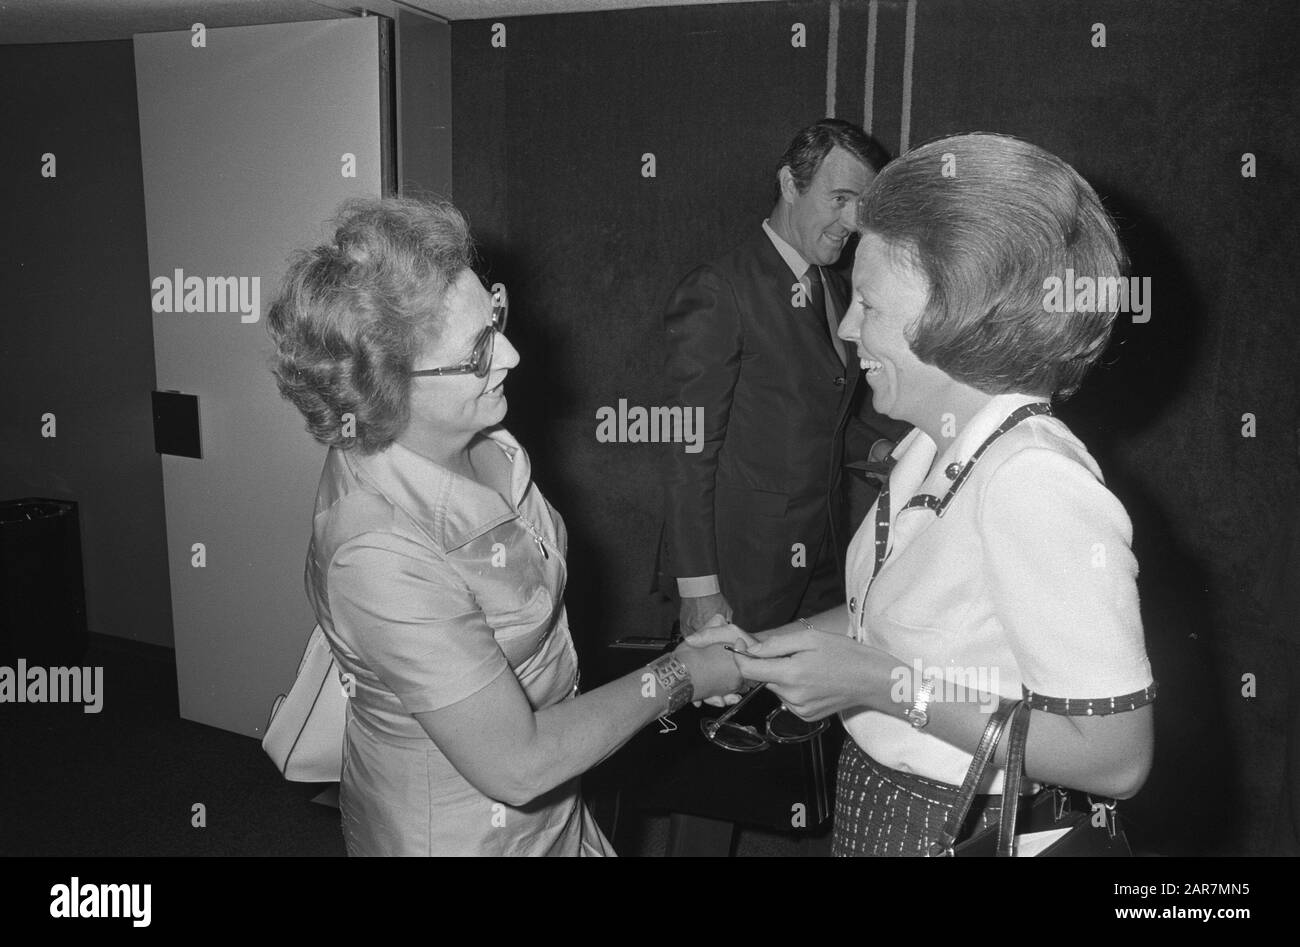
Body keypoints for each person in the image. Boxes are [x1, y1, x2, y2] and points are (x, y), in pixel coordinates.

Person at [694, 133, 1156, 856]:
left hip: (958, 827)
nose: (847, 327)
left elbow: (1113, 758)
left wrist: (878, 685)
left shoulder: (1034, 481)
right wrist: (774, 648)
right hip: (883, 809)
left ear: (959, 318)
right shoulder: (931, 441)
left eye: (870, 305)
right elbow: (903, 616)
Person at [267, 197, 742, 856]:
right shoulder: (374, 549)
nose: (512, 354)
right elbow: (517, 764)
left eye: (495, 316)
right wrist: (680, 674)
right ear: (386, 389)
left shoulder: (473, 429)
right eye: (478, 351)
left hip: (554, 806)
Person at [656, 118, 902, 855]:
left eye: (865, 205)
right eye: (839, 198)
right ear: (788, 182)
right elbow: (686, 447)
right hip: (739, 567)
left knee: (788, 745)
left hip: (820, 559)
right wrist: (700, 590)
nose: (853, 221)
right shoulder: (720, 287)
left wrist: (893, 447)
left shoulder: (832, 287)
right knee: (710, 762)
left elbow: (825, 419)